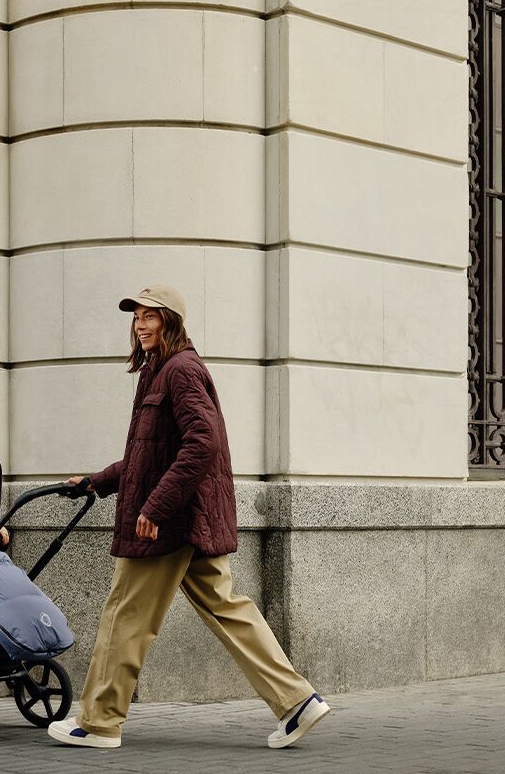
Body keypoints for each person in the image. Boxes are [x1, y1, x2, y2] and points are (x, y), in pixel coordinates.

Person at [47, 284, 329, 750]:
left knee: (125, 616)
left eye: (150, 316)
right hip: (187, 519)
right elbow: (150, 457)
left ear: (171, 321)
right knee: (228, 608)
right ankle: (298, 701)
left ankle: (98, 723)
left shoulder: (180, 371)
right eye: (136, 316)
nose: (140, 324)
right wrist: (96, 481)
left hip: (169, 521)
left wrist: (155, 506)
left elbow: (203, 442)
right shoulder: (158, 372)